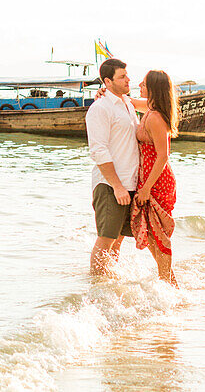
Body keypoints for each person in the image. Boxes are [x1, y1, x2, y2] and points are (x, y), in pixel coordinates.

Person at [85, 57, 140, 277]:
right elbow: (98, 151)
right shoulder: (100, 108)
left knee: (118, 239)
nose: (128, 79)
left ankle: (110, 282)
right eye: (122, 77)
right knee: (106, 238)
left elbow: (157, 103)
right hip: (110, 184)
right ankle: (96, 285)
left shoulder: (126, 103)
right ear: (108, 81)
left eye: (127, 75)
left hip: (128, 182)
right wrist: (117, 186)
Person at [131, 70, 179, 286]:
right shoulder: (150, 109)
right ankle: (170, 284)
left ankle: (169, 285)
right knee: (153, 235)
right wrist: (107, 93)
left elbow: (163, 155)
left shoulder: (156, 117)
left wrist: (147, 188)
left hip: (157, 181)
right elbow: (131, 101)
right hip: (150, 179)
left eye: (144, 82)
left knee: (157, 235)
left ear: (152, 89)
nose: (139, 83)